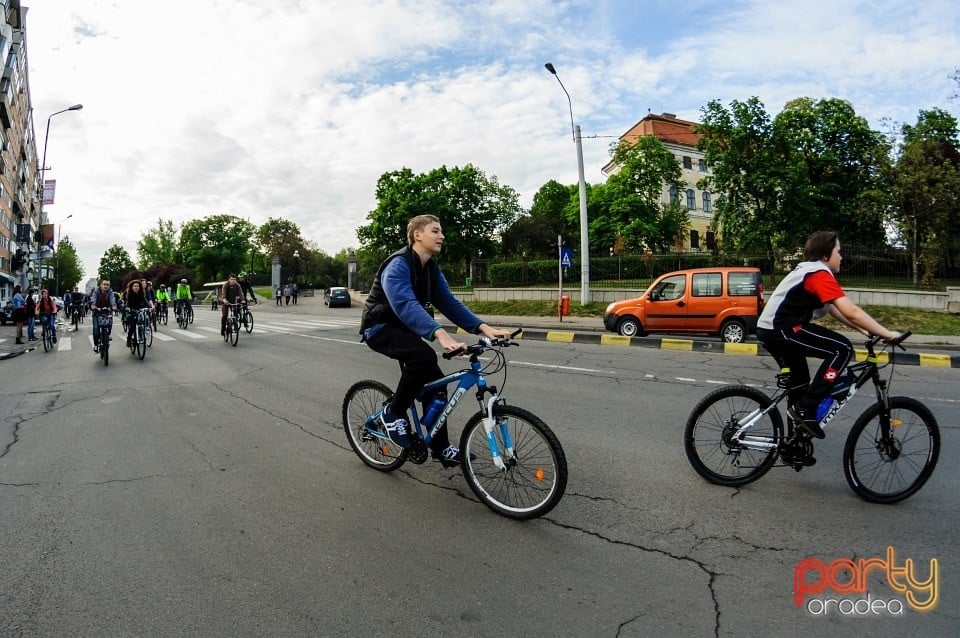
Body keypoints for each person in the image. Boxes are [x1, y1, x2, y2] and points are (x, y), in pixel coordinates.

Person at [360, 214, 509, 468]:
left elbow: (449, 303)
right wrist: (439, 334)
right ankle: (392, 414)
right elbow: (404, 304)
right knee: (423, 357)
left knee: (437, 387)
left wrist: (484, 328)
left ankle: (442, 448)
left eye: (441, 232)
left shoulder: (431, 269)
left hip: (406, 330)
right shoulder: (398, 264)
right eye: (435, 231)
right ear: (417, 234)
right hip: (380, 327)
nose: (442, 236)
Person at [756, 231, 899, 440]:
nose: (841, 257)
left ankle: (793, 441)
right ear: (825, 255)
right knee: (842, 348)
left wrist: (866, 330)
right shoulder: (818, 273)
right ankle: (805, 410)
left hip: (774, 329)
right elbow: (853, 311)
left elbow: (835, 310)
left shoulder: (812, 271)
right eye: (838, 252)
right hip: (782, 329)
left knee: (801, 384)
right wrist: (887, 334)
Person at [90, 280, 118, 352]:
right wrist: (93, 305)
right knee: (96, 329)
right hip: (97, 312)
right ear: (101, 285)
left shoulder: (110, 292)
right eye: (104, 284)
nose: (106, 286)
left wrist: (114, 306)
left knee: (110, 323)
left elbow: (112, 299)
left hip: (107, 311)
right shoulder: (96, 291)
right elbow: (93, 298)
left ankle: (107, 334)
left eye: (107, 285)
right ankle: (96, 345)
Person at [123, 280, 153, 347]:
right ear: (132, 287)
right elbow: (128, 302)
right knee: (132, 326)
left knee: (142, 320)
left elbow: (145, 301)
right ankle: (129, 338)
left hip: (139, 310)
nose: (136, 287)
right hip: (130, 311)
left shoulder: (141, 293)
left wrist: (149, 307)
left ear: (139, 287)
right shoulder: (129, 294)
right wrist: (128, 307)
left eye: (137, 286)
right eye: (135, 286)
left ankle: (141, 332)